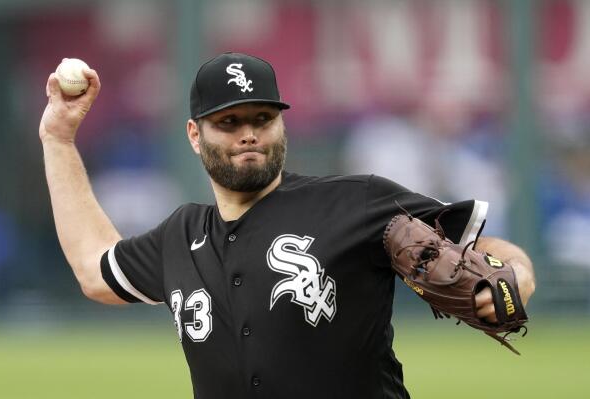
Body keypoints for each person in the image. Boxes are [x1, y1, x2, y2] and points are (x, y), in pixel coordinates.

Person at [39, 52, 535, 399]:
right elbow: (93, 269)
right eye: (228, 122)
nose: (249, 133)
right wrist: (59, 139)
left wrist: (516, 276)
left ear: (282, 124)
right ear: (195, 135)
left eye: (262, 117)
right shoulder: (179, 237)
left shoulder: (356, 200)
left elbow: (481, 243)